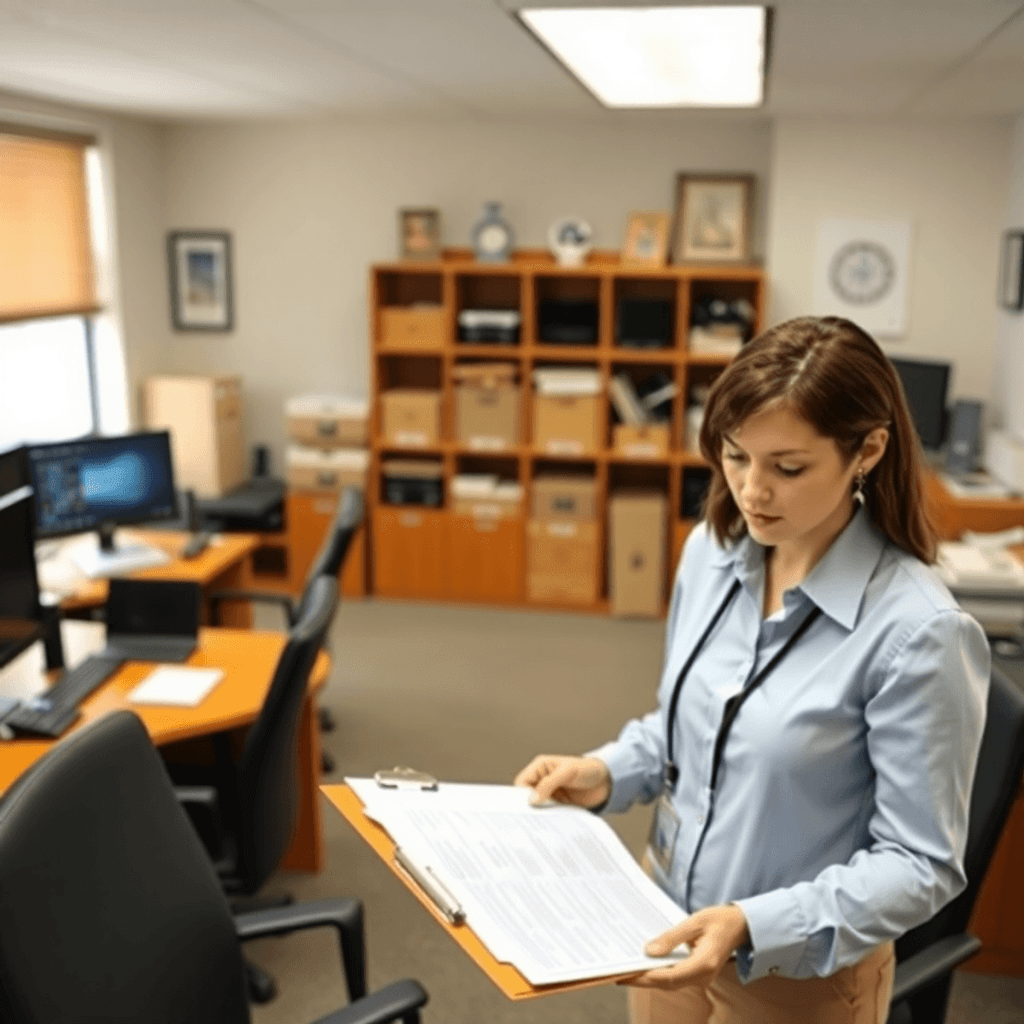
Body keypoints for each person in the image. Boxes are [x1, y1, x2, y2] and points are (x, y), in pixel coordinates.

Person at [514, 316, 989, 1024]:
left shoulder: (920, 632)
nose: (751, 490)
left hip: (795, 974)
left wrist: (753, 924)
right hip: (665, 925)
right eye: (736, 457)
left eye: (787, 468)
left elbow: (921, 862)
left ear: (868, 451)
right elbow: (691, 722)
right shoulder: (710, 550)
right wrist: (609, 771)